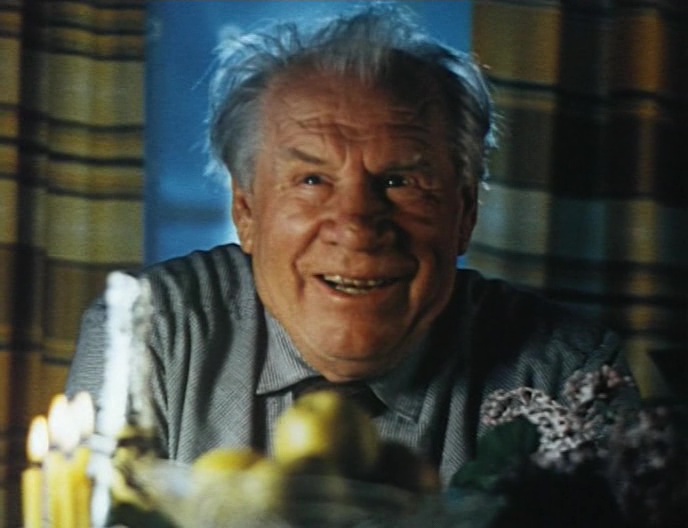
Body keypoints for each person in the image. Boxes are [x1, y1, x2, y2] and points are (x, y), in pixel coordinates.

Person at [66, 3, 638, 486]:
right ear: (246, 211)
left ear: (464, 214)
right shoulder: (151, 336)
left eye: (400, 181)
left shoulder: (569, 376)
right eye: (312, 180)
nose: (358, 224)